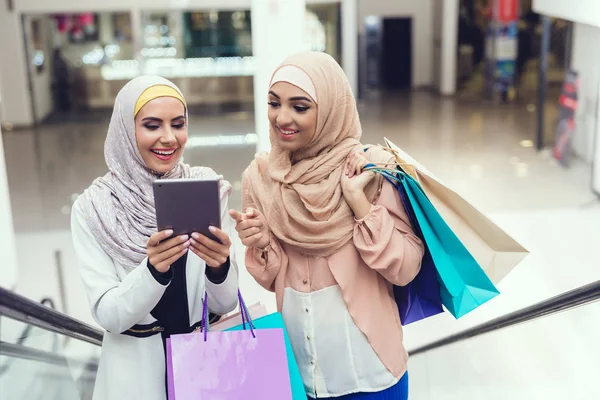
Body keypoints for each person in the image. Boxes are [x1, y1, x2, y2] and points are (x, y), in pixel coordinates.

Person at [230, 52, 424, 399]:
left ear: (332, 108)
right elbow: (271, 276)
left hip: (371, 372)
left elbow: (406, 267)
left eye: (300, 107)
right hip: (300, 376)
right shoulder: (260, 177)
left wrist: (359, 204)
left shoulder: (371, 167)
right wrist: (260, 242)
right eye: (274, 103)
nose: (282, 117)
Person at [71, 75, 239, 400]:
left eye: (178, 124)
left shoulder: (204, 188)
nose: (169, 138)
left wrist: (219, 268)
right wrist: (153, 272)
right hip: (134, 376)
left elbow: (225, 303)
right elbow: (109, 314)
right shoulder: (95, 208)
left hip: (204, 368)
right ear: (125, 130)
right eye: (152, 125)